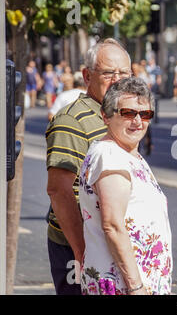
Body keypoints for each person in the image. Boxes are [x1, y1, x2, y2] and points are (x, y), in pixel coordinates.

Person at [46, 38, 132, 295]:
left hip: (111, 243)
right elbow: (59, 191)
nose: (118, 79)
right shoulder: (72, 120)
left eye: (124, 73)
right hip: (82, 246)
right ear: (87, 76)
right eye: (108, 73)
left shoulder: (117, 115)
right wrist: (82, 250)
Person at [79, 77, 172, 295]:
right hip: (122, 286)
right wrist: (136, 287)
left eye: (145, 114)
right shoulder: (110, 155)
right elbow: (113, 225)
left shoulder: (127, 154)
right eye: (128, 113)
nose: (138, 121)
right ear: (106, 116)